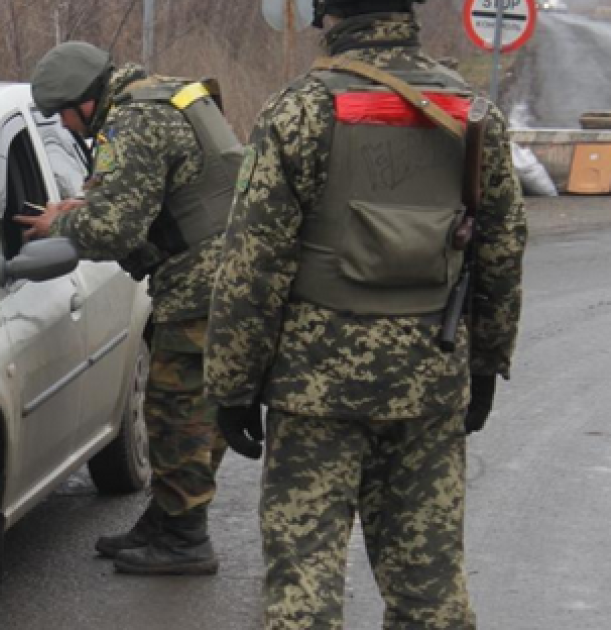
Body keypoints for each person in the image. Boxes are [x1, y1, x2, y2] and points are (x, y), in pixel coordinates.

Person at [204, 1, 526, 627]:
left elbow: (251, 264)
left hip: (315, 392)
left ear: (327, 12)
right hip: (430, 382)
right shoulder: (472, 113)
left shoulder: (299, 111)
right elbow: (503, 249)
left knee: (305, 583)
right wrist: (484, 363)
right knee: (429, 589)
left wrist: (232, 387)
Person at [17, 41, 243, 575]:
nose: (68, 129)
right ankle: (167, 522)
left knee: (178, 413)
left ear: (85, 101)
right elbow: (156, 191)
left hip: (201, 286)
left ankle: (185, 540)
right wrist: (87, 205)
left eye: (66, 117)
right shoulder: (163, 96)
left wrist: (60, 224)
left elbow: (115, 229)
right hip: (228, 275)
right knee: (190, 409)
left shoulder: (134, 121)